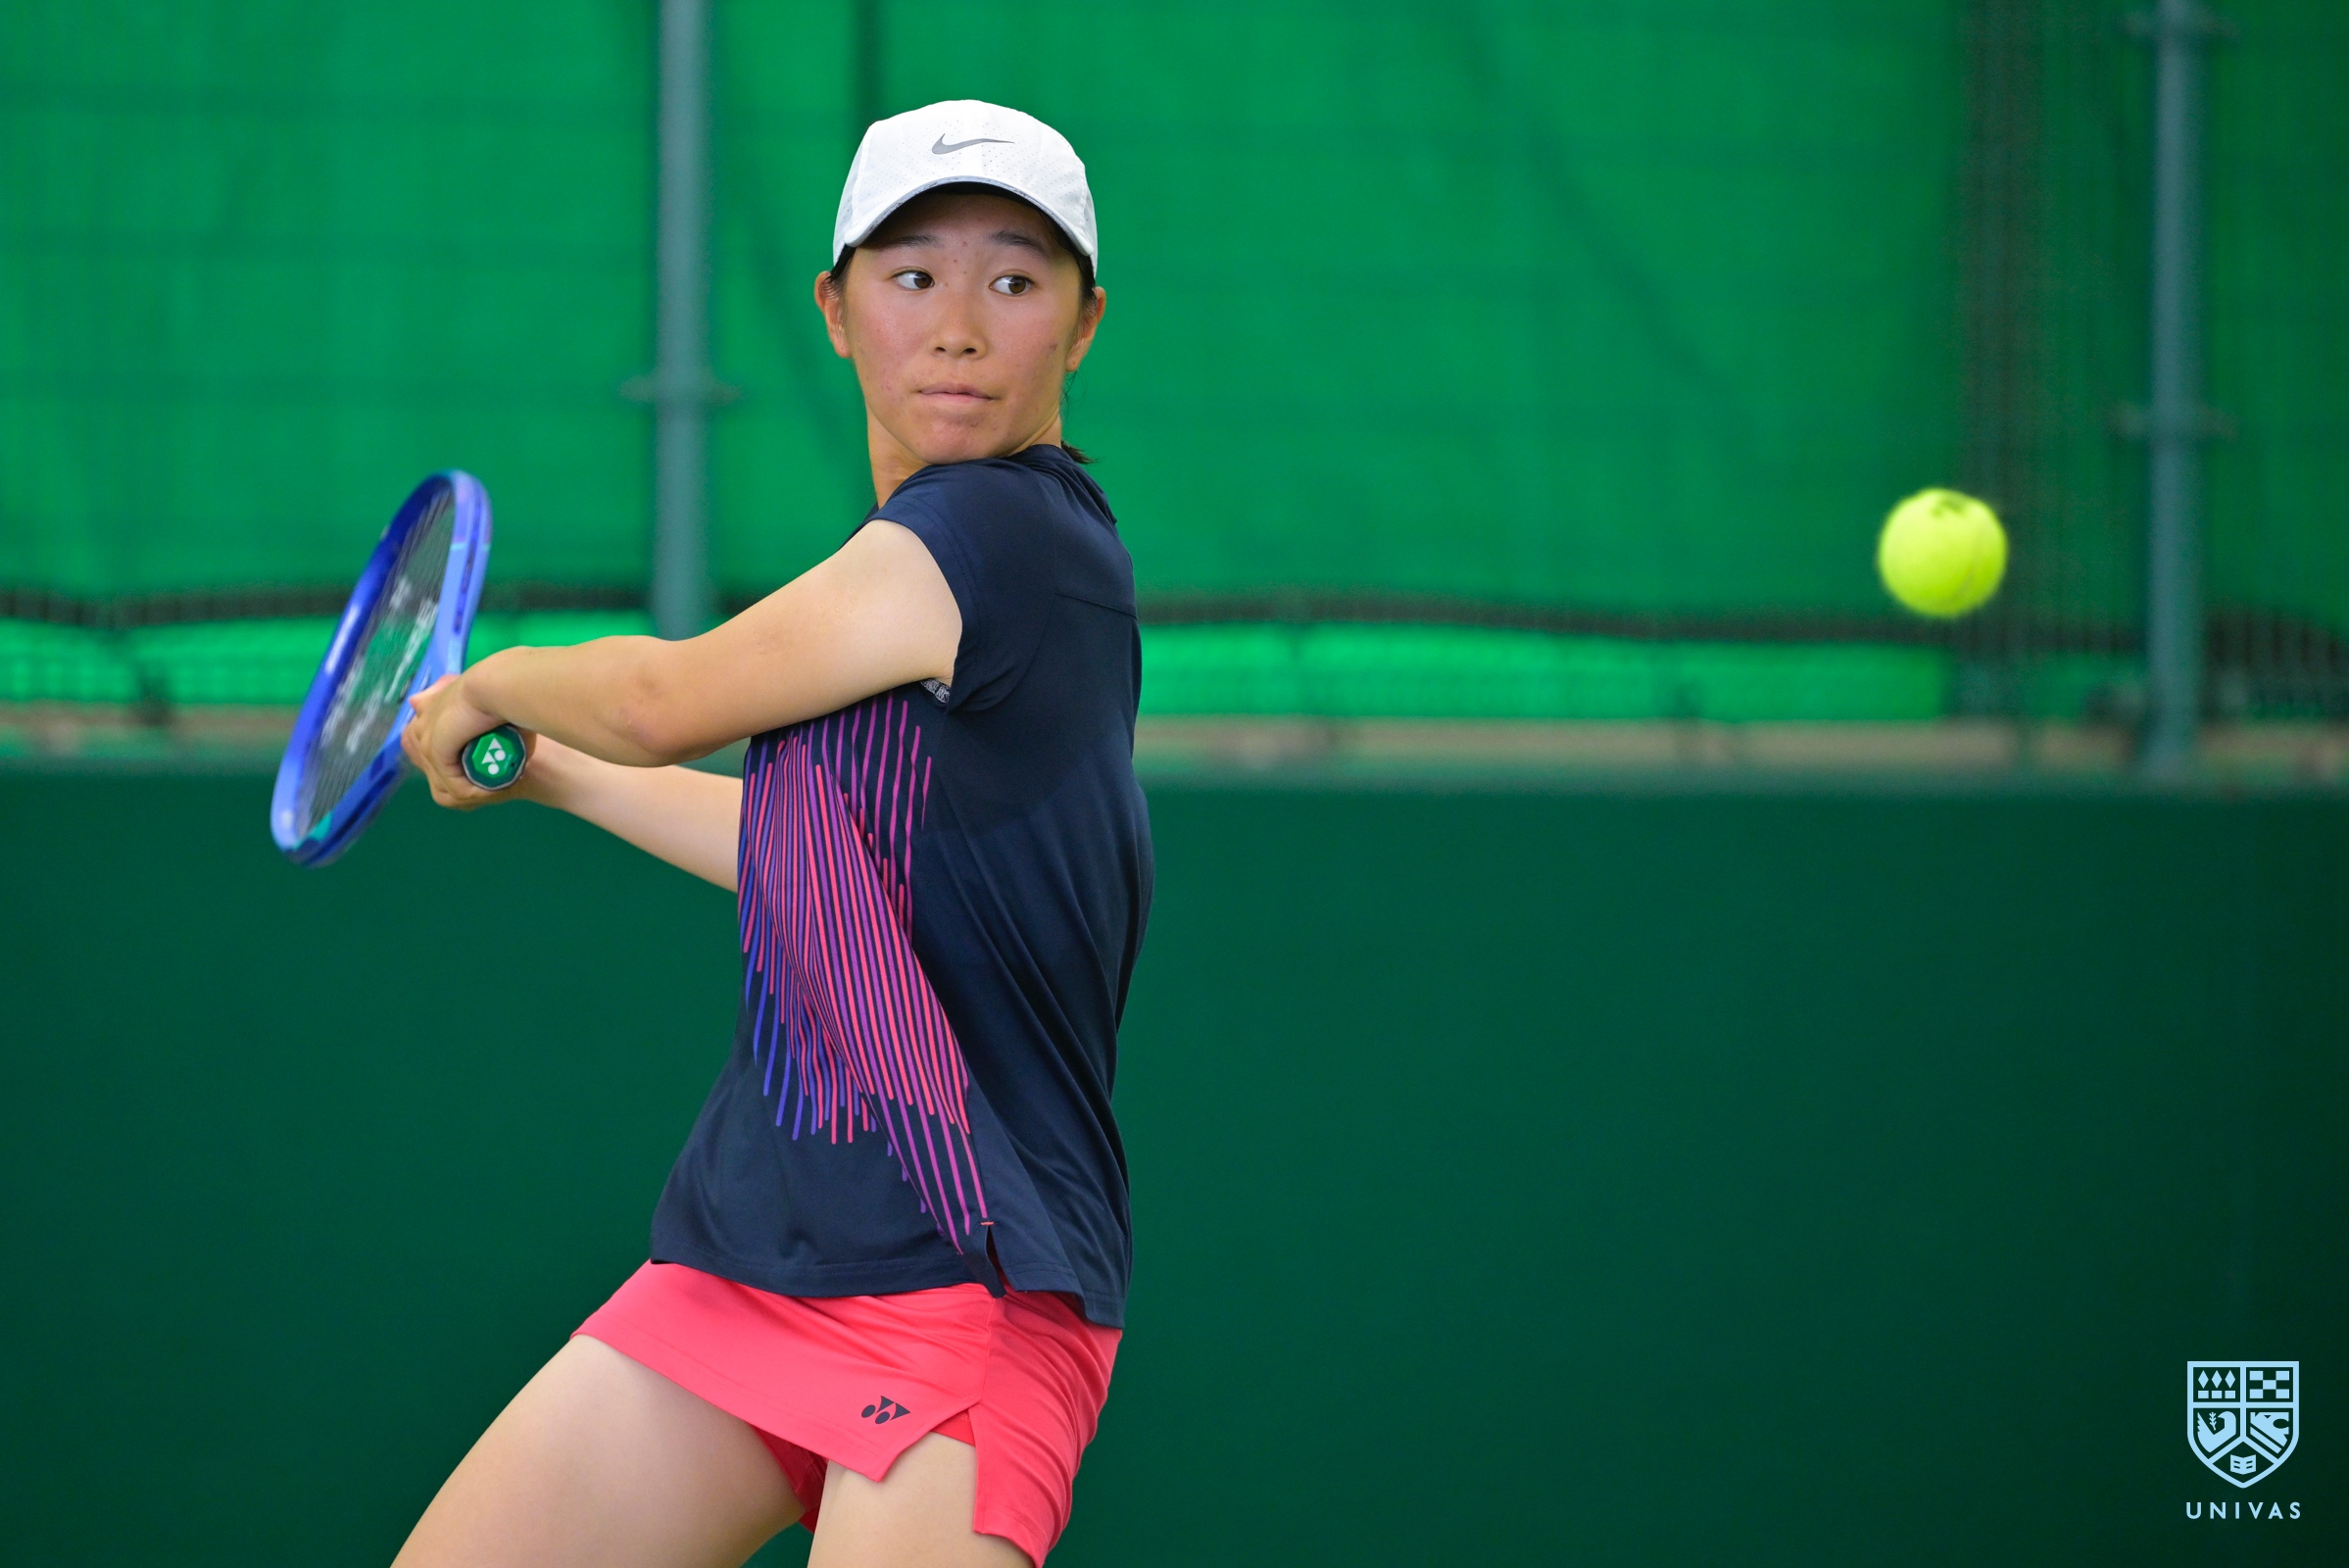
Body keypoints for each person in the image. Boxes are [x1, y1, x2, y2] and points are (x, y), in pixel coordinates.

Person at [393, 101, 1150, 1568]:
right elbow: (819, 860)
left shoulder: (1001, 534)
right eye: (912, 276)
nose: (959, 326)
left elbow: (663, 699)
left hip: (970, 1287)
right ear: (837, 308)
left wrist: (497, 682)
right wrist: (555, 774)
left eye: (1015, 279)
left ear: (1082, 325)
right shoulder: (908, 583)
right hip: (752, 1260)